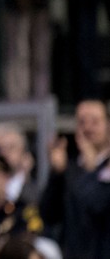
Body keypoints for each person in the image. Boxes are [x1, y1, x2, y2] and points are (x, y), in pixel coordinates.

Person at [40, 99, 110, 258]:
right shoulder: (69, 168)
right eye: (82, 122)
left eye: (95, 121)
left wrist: (91, 171)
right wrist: (57, 174)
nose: (88, 128)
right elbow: (48, 214)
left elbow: (98, 208)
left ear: (108, 125)